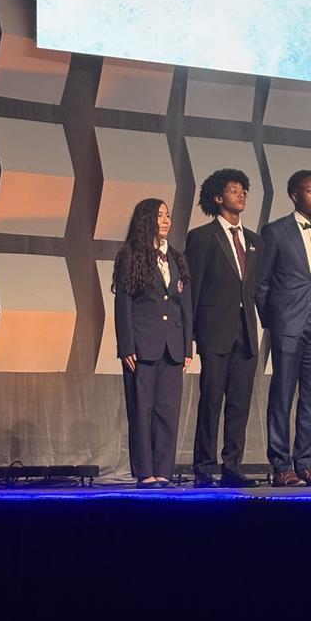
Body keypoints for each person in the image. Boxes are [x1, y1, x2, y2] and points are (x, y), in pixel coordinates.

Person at [257, 170, 311, 487]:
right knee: (282, 395)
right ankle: (281, 465)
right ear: (293, 195)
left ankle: (306, 463)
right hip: (288, 323)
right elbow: (261, 284)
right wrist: (274, 321)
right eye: (310, 191)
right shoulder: (275, 232)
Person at [185, 169, 263, 488]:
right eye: (233, 190)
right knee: (212, 398)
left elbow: (257, 288)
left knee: (239, 403)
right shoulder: (202, 237)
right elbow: (194, 288)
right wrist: (189, 337)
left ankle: (233, 465)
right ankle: (204, 466)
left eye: (243, 189)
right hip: (214, 330)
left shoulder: (255, 241)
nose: (241, 194)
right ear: (218, 198)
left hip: (245, 332)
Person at [113, 198, 192, 488]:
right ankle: (146, 471)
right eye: (160, 215)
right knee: (142, 409)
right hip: (142, 346)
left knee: (167, 410)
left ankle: (164, 470)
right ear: (147, 219)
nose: (166, 220)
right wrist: (126, 346)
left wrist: (186, 347)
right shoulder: (130, 255)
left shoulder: (177, 257)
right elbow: (123, 304)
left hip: (172, 345)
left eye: (168, 215)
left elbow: (186, 306)